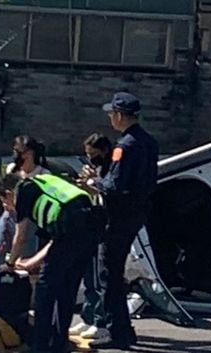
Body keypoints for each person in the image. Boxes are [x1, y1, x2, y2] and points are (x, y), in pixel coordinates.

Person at [82, 92, 159, 350]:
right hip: (138, 212)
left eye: (111, 114)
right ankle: (123, 329)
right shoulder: (149, 142)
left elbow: (114, 185)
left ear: (118, 115)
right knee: (114, 272)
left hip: (119, 215)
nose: (110, 119)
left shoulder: (123, 146)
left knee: (109, 274)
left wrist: (94, 183)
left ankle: (117, 331)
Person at [0, 173, 101, 353]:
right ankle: (60, 343)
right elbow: (55, 241)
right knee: (67, 289)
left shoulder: (24, 192)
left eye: (4, 202)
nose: (7, 208)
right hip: (89, 229)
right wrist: (31, 263)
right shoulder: (44, 184)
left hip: (70, 232)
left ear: (9, 193)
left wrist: (10, 264)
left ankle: (41, 345)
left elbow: (20, 237)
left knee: (45, 291)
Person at [68, 133, 112, 339]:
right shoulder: (97, 169)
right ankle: (87, 317)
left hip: (102, 227)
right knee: (88, 277)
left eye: (93, 154)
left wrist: (92, 184)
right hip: (89, 225)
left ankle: (99, 319)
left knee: (97, 278)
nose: (91, 158)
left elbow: (105, 193)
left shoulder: (111, 169)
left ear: (103, 151)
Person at [0, 136, 50, 269]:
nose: (16, 156)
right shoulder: (12, 169)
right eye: (15, 151)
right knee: (2, 243)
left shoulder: (43, 174)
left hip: (31, 218)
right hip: (11, 215)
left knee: (25, 247)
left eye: (20, 152)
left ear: (30, 154)